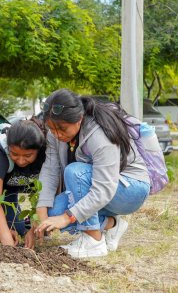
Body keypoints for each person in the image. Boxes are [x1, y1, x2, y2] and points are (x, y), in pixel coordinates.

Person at [35, 89, 151, 258]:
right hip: (98, 189)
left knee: (75, 172)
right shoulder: (55, 134)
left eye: (62, 129)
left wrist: (68, 217)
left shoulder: (99, 134)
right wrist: (42, 212)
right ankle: (113, 225)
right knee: (54, 215)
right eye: (52, 129)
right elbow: (50, 169)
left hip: (130, 190)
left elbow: (103, 189)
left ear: (79, 118)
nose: (57, 134)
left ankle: (93, 242)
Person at [0, 118, 46, 249]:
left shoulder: (46, 154)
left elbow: (42, 197)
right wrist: (8, 246)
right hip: (4, 192)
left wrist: (31, 225)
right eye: (15, 154)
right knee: (13, 229)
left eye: (28, 156)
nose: (21, 161)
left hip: (18, 188)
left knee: (26, 227)